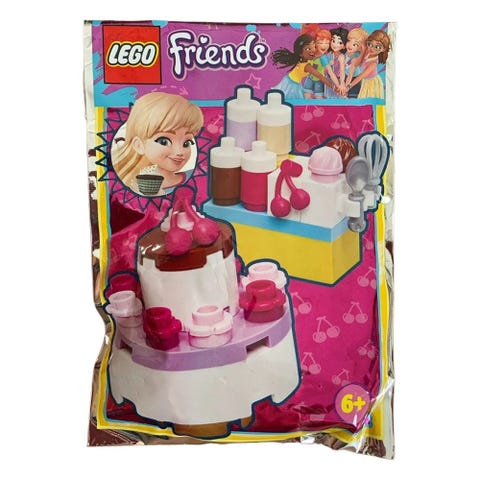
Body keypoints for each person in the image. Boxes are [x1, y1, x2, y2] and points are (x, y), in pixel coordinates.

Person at [112, 92, 204, 193]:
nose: (179, 151)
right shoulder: (130, 187)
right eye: (164, 141)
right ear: (139, 145)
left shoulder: (197, 179)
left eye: (186, 143)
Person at [272, 34, 333, 99]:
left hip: (289, 80)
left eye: (314, 46)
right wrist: (332, 86)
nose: (313, 50)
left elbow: (316, 57)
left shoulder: (304, 59)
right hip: (292, 85)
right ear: (301, 53)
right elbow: (320, 76)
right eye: (308, 49)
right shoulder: (307, 66)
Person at [346, 30, 391, 99]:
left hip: (371, 83)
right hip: (365, 81)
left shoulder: (373, 63)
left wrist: (349, 86)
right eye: (370, 44)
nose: (372, 48)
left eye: (377, 47)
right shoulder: (367, 51)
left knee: (367, 99)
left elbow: (361, 76)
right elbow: (358, 62)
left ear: (383, 49)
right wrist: (363, 49)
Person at [303, 29, 331, 99]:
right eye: (320, 43)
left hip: (319, 80)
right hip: (310, 78)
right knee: (306, 95)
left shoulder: (325, 57)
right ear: (314, 43)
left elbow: (328, 70)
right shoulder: (311, 54)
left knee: (319, 97)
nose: (324, 46)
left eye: (327, 43)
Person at [322, 27, 349, 98]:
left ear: (344, 46)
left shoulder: (341, 56)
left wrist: (342, 83)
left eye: (339, 42)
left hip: (339, 79)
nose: (335, 44)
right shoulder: (329, 55)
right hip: (329, 79)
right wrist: (328, 65)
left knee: (339, 96)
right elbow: (324, 70)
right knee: (329, 97)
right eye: (333, 41)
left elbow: (342, 71)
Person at [342, 28, 368, 98]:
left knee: (352, 97)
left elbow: (351, 74)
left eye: (355, 44)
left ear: (360, 48)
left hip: (353, 80)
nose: (350, 45)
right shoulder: (347, 52)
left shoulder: (355, 56)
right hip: (347, 76)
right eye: (349, 41)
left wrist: (346, 87)